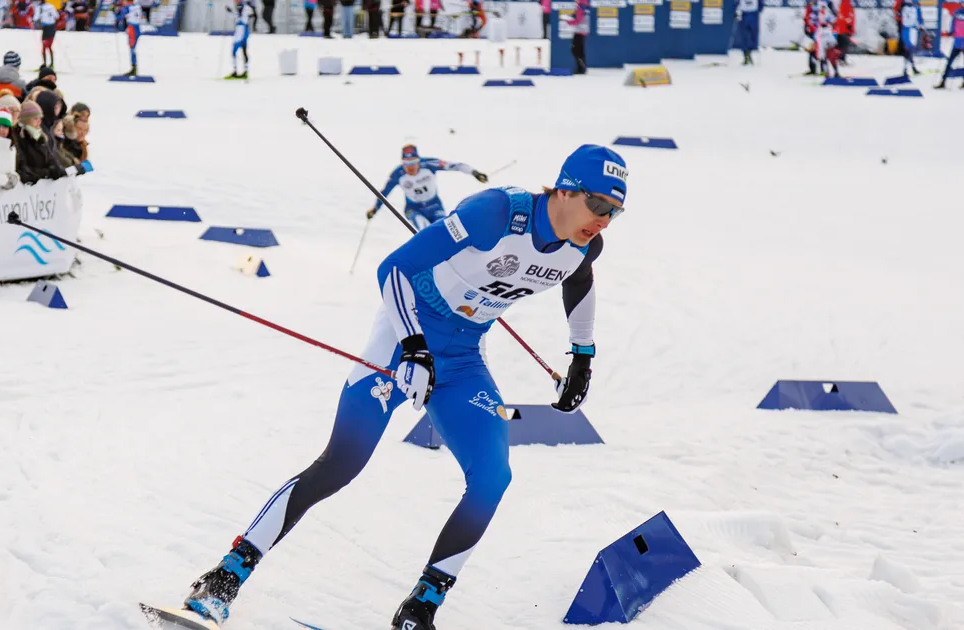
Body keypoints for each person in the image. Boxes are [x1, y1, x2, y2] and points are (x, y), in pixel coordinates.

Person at [170, 145, 627, 630]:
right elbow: (394, 268)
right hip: (403, 333)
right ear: (564, 189)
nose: (604, 220)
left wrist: (582, 357)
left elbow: (579, 280)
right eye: (598, 205)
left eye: (615, 212)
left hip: (464, 356)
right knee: (343, 462)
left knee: (494, 476)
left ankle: (420, 608)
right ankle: (224, 576)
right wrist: (412, 348)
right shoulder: (497, 212)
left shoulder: (584, 245)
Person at [368, 144, 488, 231]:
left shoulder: (429, 164)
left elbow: (456, 166)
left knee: (445, 230)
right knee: (424, 229)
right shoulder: (398, 174)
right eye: (406, 163)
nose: (410, 167)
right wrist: (375, 209)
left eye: (413, 162)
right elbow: (384, 193)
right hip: (413, 209)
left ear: (418, 160)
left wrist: (475, 173)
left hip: (434, 205)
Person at [935, 0, 964, 89]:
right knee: (949, 62)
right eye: (963, 2)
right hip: (957, 42)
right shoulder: (957, 12)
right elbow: (953, 24)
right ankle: (943, 81)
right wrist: (952, 32)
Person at [225, 0, 254, 80]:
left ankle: (236, 71)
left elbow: (246, 15)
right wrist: (231, 12)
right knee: (243, 50)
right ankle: (245, 71)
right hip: (242, 29)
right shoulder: (243, 7)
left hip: (241, 30)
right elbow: (239, 15)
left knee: (235, 50)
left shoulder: (244, 7)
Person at [116, 0, 144, 76]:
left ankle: (134, 68)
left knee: (132, 48)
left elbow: (119, 18)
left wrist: (115, 12)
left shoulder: (127, 7)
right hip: (138, 28)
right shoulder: (137, 6)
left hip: (132, 28)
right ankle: (133, 67)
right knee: (133, 47)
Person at [896, 0, 923, 76]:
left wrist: (920, 25)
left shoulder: (915, 7)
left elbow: (919, 17)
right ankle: (909, 68)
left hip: (912, 29)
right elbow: (898, 16)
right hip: (906, 29)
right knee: (908, 49)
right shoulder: (903, 7)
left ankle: (909, 68)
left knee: (910, 49)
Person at [734, 0, 760, 65]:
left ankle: (749, 53)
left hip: (753, 14)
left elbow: (761, 4)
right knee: (744, 36)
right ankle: (745, 55)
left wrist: (758, 10)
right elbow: (736, 3)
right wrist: (736, 12)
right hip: (744, 15)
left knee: (753, 36)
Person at [36, 0, 60, 68]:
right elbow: (57, 16)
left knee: (44, 47)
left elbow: (36, 17)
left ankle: (45, 64)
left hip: (46, 28)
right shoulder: (51, 6)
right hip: (52, 27)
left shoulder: (39, 7)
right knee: (49, 46)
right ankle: (51, 64)